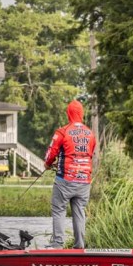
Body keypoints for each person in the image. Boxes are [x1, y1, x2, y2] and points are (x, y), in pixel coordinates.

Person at [42, 99, 96, 249]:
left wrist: (47, 164)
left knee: (59, 210)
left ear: (68, 114)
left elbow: (51, 153)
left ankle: (57, 244)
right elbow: (90, 153)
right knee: (79, 212)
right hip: (85, 180)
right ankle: (79, 246)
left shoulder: (62, 132)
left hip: (65, 180)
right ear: (81, 114)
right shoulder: (90, 133)